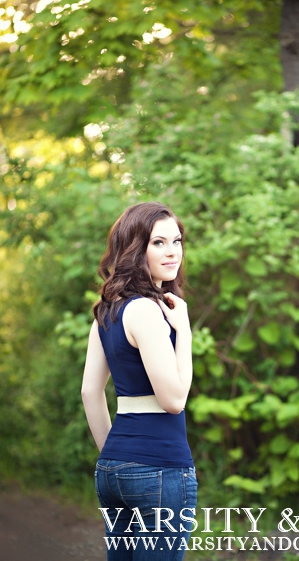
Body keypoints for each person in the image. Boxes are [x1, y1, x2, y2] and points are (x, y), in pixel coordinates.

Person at [81, 202, 196, 561]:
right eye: (158, 242)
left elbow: (89, 391)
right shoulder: (146, 311)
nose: (172, 251)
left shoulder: (107, 310)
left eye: (176, 241)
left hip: (114, 470)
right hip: (160, 469)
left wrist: (115, 457)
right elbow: (174, 400)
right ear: (135, 248)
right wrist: (186, 333)